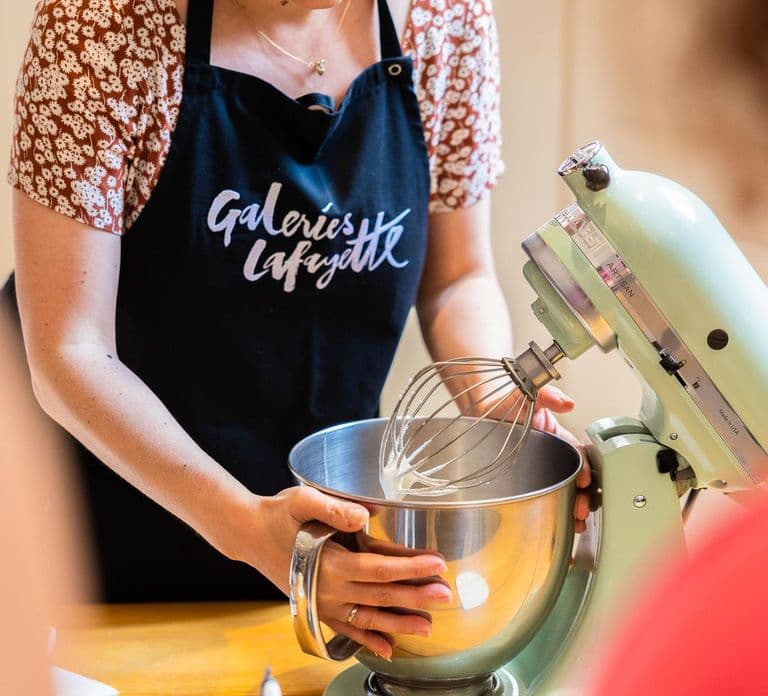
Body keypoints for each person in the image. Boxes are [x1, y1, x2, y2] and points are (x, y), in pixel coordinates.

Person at [6, 0, 590, 661]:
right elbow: (69, 351)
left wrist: (494, 402)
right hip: (84, 553)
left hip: (313, 557)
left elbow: (458, 276)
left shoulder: (444, 16)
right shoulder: (106, 22)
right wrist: (246, 526)